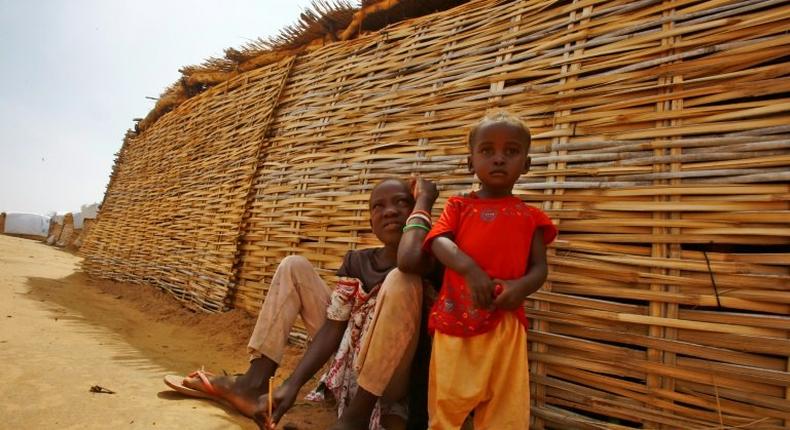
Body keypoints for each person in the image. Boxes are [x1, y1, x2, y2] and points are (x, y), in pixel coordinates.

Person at [165, 178, 440, 430]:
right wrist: (291, 384)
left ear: (418, 213)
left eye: (402, 203)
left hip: (391, 382)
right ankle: (254, 382)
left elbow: (410, 262)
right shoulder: (358, 261)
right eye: (378, 206)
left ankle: (354, 419)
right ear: (370, 223)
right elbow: (334, 326)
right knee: (293, 265)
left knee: (402, 280)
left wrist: (424, 200)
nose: (390, 211)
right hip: (348, 367)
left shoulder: (428, 262)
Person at [400, 111, 557, 429]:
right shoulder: (459, 206)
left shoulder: (531, 217)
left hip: (506, 326)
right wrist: (470, 270)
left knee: (505, 409)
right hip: (456, 320)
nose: (499, 159)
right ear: (471, 162)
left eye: (511, 151)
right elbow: (438, 241)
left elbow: (540, 269)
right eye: (487, 150)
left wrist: (521, 287)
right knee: (448, 405)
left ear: (526, 164)